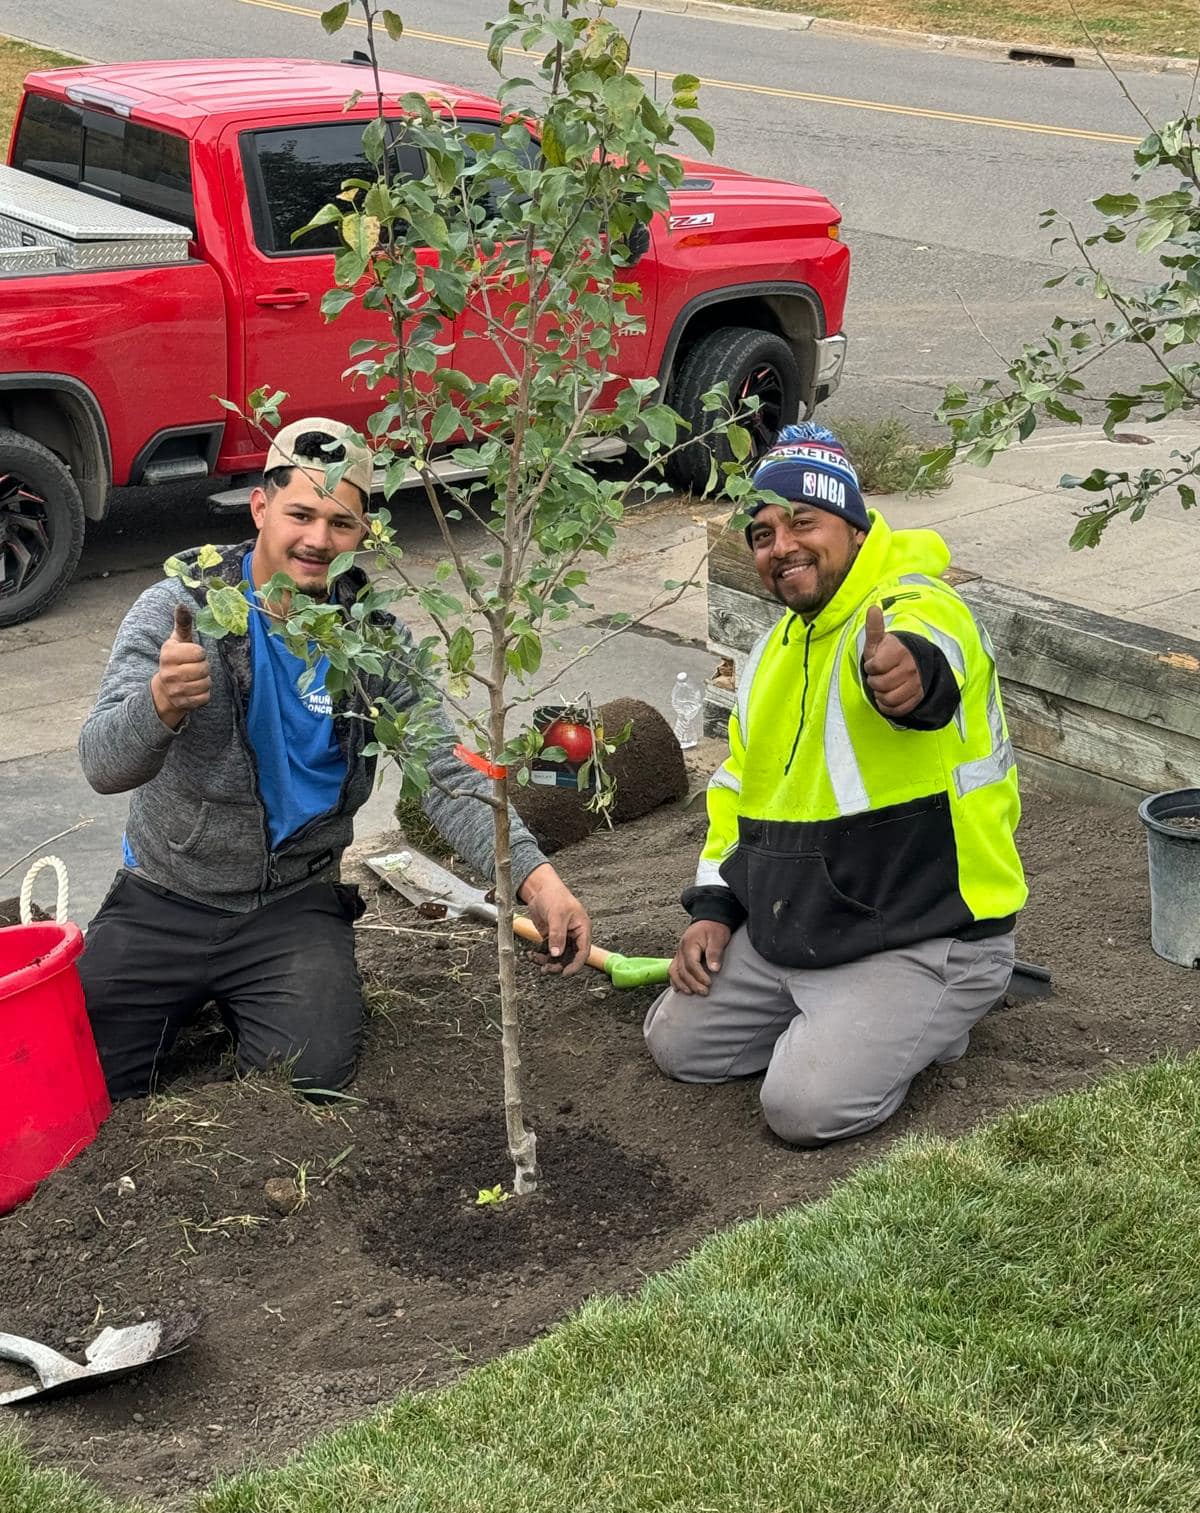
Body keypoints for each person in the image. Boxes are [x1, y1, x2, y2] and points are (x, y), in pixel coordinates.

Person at [78, 418, 589, 1100]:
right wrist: (160, 705)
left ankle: (254, 992)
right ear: (260, 508)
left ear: (364, 531)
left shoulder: (375, 642)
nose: (318, 540)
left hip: (290, 905)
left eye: (340, 523)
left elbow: (442, 768)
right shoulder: (183, 607)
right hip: (167, 897)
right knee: (81, 1075)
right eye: (300, 514)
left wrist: (537, 880)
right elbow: (102, 764)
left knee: (309, 1082)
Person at [644, 422, 1026, 1146]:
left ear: (852, 525)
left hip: (922, 931)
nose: (781, 545)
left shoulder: (916, 602)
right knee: (678, 1046)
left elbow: (929, 656)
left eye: (802, 522)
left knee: (803, 1110)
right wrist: (716, 909)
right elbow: (734, 797)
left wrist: (907, 673)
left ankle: (933, 1019)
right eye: (761, 533)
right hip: (804, 924)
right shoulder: (770, 655)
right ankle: (847, 1021)